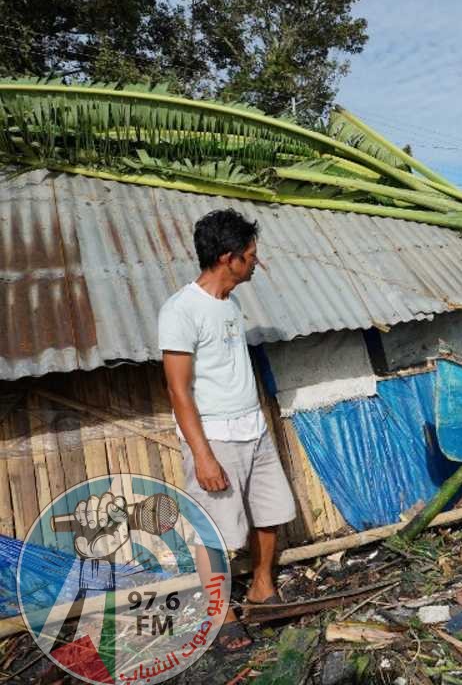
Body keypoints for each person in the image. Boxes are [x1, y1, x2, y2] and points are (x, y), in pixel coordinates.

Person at [158, 209, 296, 652]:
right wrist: (202, 455)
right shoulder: (181, 310)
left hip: (253, 430)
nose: (257, 262)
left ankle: (261, 589)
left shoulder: (231, 304)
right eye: (251, 255)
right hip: (216, 438)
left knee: (272, 513)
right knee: (215, 534)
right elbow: (178, 392)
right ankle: (217, 615)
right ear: (227, 258)